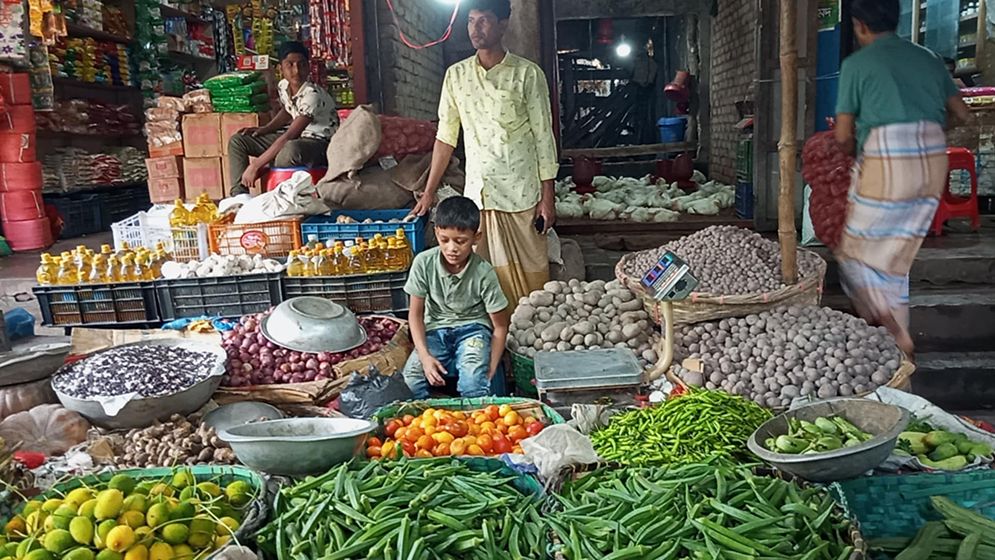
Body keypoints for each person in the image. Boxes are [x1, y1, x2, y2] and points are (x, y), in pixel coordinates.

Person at [834, 0, 970, 357]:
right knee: (894, 256)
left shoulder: (857, 65)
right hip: (931, 160)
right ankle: (895, 342)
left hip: (887, 159)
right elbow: (961, 113)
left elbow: (843, 135)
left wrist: (853, 154)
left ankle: (891, 330)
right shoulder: (927, 58)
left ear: (860, 25)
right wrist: (928, 131)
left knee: (854, 255)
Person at [410, 0, 558, 306]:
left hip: (521, 193)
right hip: (480, 193)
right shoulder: (456, 76)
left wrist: (548, 197)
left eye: (484, 21)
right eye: (471, 21)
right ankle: (495, 341)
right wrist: (428, 191)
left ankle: (531, 338)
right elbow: (445, 138)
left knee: (532, 277)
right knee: (485, 279)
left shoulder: (527, 75)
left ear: (503, 24)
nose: (475, 29)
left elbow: (544, 137)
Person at [401, 196, 510, 399]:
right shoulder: (423, 263)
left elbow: (500, 326)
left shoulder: (484, 272)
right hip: (435, 331)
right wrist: (424, 357)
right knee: (411, 378)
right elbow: (415, 316)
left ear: (476, 238)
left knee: (473, 382)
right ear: (436, 233)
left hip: (473, 331)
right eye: (444, 240)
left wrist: (492, 365)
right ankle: (423, 424)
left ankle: (476, 426)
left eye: (461, 241)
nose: (452, 248)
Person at [228, 41, 339, 196]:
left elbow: (290, 135)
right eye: (290, 65)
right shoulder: (283, 86)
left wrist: (257, 165)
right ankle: (239, 197)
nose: (296, 71)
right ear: (281, 69)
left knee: (289, 150)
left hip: (319, 144)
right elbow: (287, 111)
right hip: (294, 137)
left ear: (308, 67)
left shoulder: (312, 94)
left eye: (301, 65)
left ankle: (267, 169)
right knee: (238, 140)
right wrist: (265, 129)